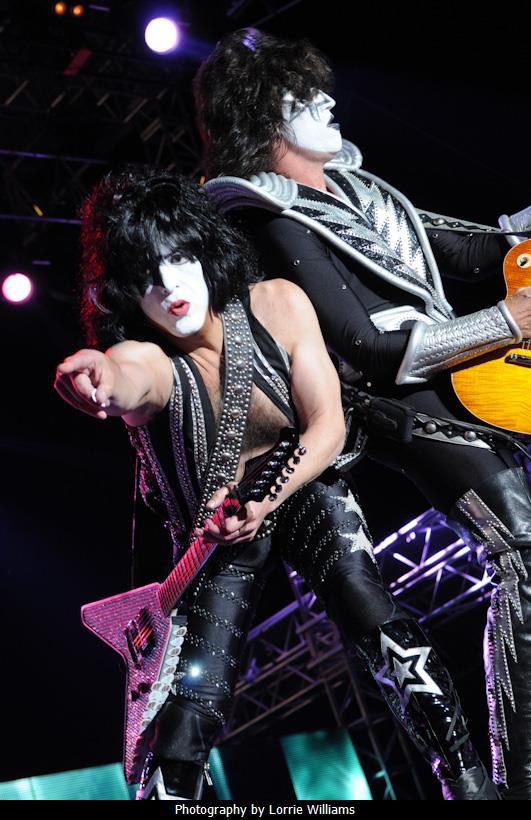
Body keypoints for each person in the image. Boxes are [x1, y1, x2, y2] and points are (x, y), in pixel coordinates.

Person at [55, 168, 499, 801]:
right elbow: (127, 377)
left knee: (378, 622)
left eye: (178, 258)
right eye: (147, 275)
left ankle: (469, 787)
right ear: (127, 293)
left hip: (299, 485)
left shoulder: (277, 303)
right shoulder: (149, 357)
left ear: (204, 249)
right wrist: (95, 373)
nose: (169, 285)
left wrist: (264, 500)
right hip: (211, 539)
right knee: (188, 713)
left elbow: (328, 426)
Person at [194, 29, 531, 800]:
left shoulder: (358, 190)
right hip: (385, 404)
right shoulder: (265, 214)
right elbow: (365, 347)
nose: (327, 101)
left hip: (457, 378)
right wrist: (505, 322)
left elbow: (474, 251)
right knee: (518, 551)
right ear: (265, 119)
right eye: (303, 96)